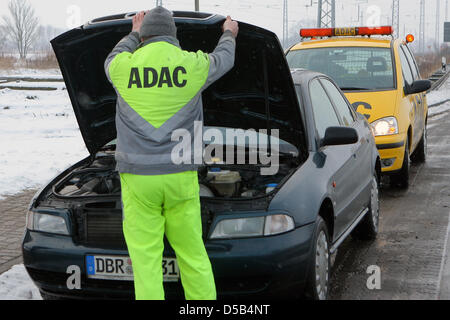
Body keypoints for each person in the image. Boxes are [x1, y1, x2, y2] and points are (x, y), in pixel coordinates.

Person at [104, 7, 239, 300]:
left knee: (145, 262)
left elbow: (110, 58)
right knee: (192, 255)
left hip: (138, 181)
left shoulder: (122, 66)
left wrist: (132, 34)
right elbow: (225, 59)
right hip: (180, 177)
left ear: (145, 34)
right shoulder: (191, 64)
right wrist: (229, 33)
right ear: (173, 35)